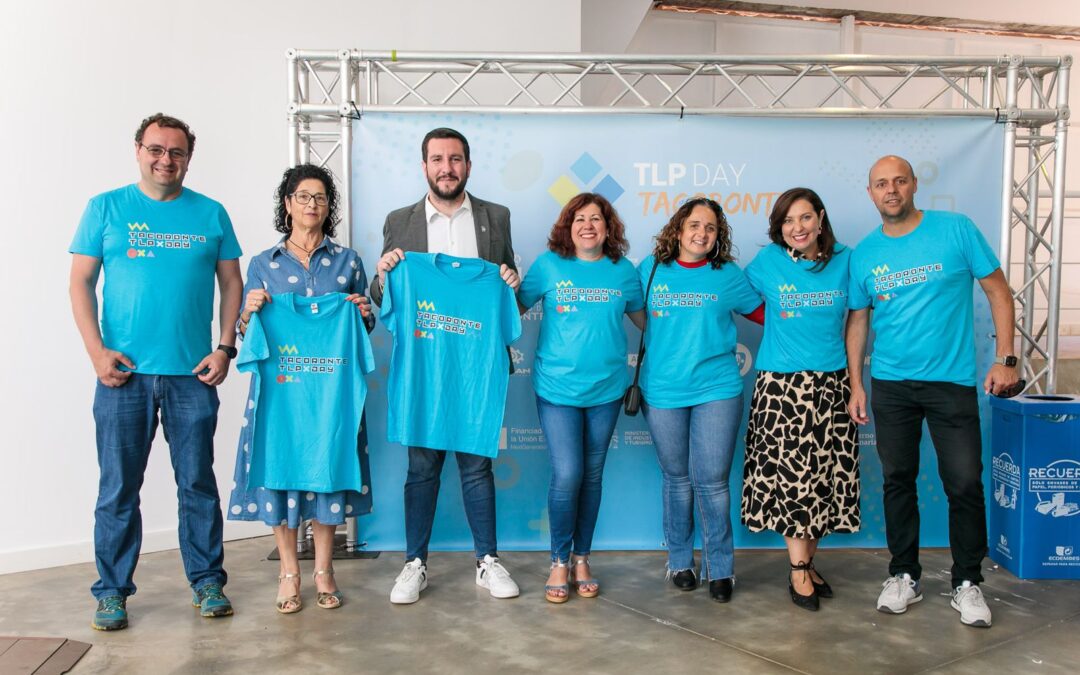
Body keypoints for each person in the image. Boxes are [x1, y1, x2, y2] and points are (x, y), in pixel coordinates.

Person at [69, 113, 243, 630]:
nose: (166, 159)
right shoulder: (105, 208)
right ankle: (112, 592)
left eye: (177, 152)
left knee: (197, 483)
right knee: (118, 488)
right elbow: (79, 283)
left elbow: (231, 284)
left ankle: (207, 581)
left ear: (190, 158)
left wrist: (224, 347)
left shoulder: (211, 214)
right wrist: (97, 353)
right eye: (156, 149)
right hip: (124, 375)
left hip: (192, 374)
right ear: (138, 150)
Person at [847, 155, 1018, 628]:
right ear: (871, 193)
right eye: (881, 183)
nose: (891, 190)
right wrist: (857, 383)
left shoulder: (956, 229)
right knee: (898, 480)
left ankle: (968, 582)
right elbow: (858, 320)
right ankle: (904, 574)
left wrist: (1005, 359)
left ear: (914, 185)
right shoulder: (864, 254)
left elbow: (999, 292)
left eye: (899, 181)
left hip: (952, 381)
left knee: (964, 482)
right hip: (892, 385)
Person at [369, 127, 522, 604]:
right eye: (437, 159)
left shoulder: (496, 218)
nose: (447, 167)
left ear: (468, 166)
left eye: (455, 159)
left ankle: (487, 561)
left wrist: (510, 281)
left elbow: (506, 290)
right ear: (424, 167)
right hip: (424, 369)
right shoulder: (400, 220)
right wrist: (382, 275)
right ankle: (414, 563)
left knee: (478, 466)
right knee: (422, 469)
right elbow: (381, 300)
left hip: (475, 368)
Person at [227, 164, 374, 613]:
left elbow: (364, 326)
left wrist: (361, 310)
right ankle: (288, 573)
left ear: (329, 208)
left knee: (328, 469)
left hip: (331, 395)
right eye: (304, 196)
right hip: (282, 395)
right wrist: (250, 311)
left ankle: (324, 570)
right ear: (287, 203)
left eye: (321, 198)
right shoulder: (262, 265)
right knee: (279, 469)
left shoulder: (349, 262)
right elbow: (243, 330)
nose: (313, 205)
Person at [516, 193, 645, 603]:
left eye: (596, 219)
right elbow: (511, 308)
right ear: (567, 227)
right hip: (557, 389)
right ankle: (559, 560)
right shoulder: (548, 266)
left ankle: (583, 557)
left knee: (591, 476)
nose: (588, 225)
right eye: (579, 219)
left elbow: (649, 321)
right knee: (568, 474)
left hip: (606, 391)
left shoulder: (623, 271)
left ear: (609, 228)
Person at [741, 187, 860, 612]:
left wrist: (855, 382)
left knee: (823, 480)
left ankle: (808, 562)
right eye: (788, 221)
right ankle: (796, 569)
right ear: (779, 227)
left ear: (821, 219)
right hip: (781, 388)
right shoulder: (768, 262)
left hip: (832, 384)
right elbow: (732, 296)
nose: (797, 228)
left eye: (805, 218)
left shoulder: (847, 260)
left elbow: (858, 320)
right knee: (792, 482)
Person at [638, 197, 761, 603]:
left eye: (710, 228)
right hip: (664, 390)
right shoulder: (650, 269)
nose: (702, 234)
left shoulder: (727, 275)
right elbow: (626, 307)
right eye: (694, 225)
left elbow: (766, 314)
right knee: (676, 480)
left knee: (711, 482)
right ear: (678, 229)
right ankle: (679, 561)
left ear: (718, 235)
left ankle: (720, 568)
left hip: (717, 390)